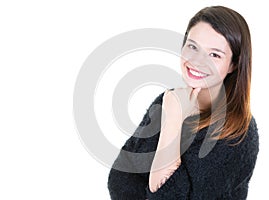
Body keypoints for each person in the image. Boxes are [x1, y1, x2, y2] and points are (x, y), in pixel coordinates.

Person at [107, 5, 259, 200]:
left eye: (214, 55)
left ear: (233, 64)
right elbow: (120, 179)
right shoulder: (168, 100)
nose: (197, 61)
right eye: (193, 46)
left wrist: (172, 122)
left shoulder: (238, 133)